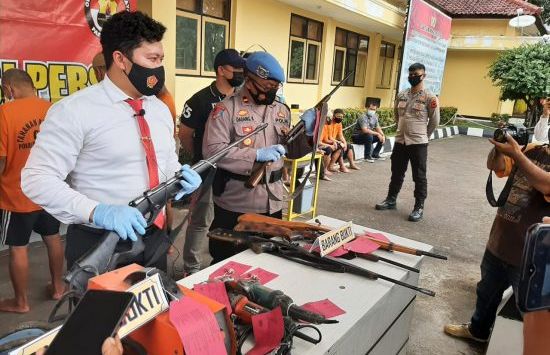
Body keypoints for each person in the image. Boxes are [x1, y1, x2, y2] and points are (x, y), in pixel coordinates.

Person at [21, 11, 201, 272]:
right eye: (151, 59)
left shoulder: (159, 109)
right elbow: (36, 178)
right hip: (98, 242)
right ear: (120, 59)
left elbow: (167, 162)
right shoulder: (74, 111)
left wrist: (179, 180)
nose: (159, 68)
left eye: (161, 58)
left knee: (157, 313)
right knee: (101, 314)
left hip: (153, 239)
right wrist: (98, 211)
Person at [202, 51, 314, 263]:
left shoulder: (281, 111)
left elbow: (291, 151)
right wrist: (255, 155)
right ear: (249, 79)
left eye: (276, 87)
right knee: (228, 261)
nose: (272, 91)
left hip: (273, 202)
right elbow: (213, 152)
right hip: (236, 204)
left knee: (270, 260)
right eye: (267, 86)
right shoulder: (226, 110)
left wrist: (308, 135)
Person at [444, 134, 550, 343]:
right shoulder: (532, 148)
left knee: (529, 308)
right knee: (486, 292)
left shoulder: (523, 153)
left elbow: (546, 184)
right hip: (500, 240)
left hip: (530, 253)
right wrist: (499, 147)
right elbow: (494, 165)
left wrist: (517, 155)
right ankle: (478, 331)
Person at [0, 69, 64, 313]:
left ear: (9, 89)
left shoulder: (5, 112)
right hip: (49, 190)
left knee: (18, 247)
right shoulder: (51, 109)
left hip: (16, 195)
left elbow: (2, 161)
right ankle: (58, 287)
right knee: (53, 238)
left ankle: (20, 302)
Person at [178, 49, 245, 275]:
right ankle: (192, 268)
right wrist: (201, 157)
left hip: (235, 172)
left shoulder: (243, 98)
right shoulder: (199, 100)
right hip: (206, 171)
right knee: (200, 221)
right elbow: (185, 134)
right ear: (221, 70)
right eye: (236, 69)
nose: (240, 73)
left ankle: (224, 265)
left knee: (231, 220)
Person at [375, 63, 440, 222]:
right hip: (400, 141)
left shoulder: (430, 97)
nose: (412, 77)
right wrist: (401, 129)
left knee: (419, 176)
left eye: (416, 74)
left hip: (418, 143)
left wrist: (424, 136)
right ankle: (391, 200)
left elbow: (435, 121)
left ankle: (419, 207)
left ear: (423, 75)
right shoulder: (402, 94)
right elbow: (397, 115)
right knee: (396, 172)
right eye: (410, 74)